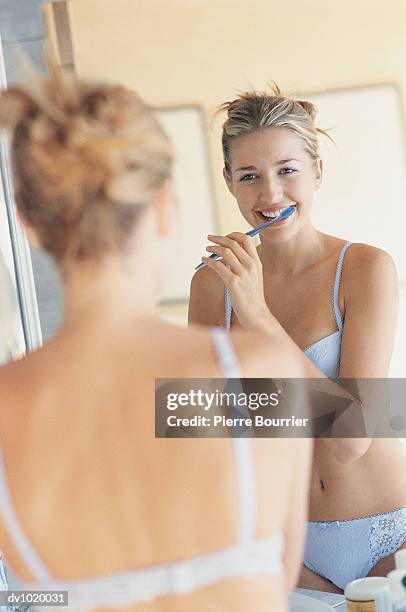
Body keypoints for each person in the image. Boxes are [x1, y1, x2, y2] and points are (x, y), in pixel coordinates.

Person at [0, 66, 312, 611]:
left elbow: (37, 599)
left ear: (27, 221)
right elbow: (280, 575)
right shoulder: (260, 366)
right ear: (165, 205)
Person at [189, 85, 406, 592]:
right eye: (250, 177)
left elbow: (353, 436)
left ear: (317, 171)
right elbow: (204, 440)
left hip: (391, 540)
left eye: (287, 170)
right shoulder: (210, 285)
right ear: (229, 183)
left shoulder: (366, 268)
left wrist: (258, 315)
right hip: (286, 550)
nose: (270, 195)